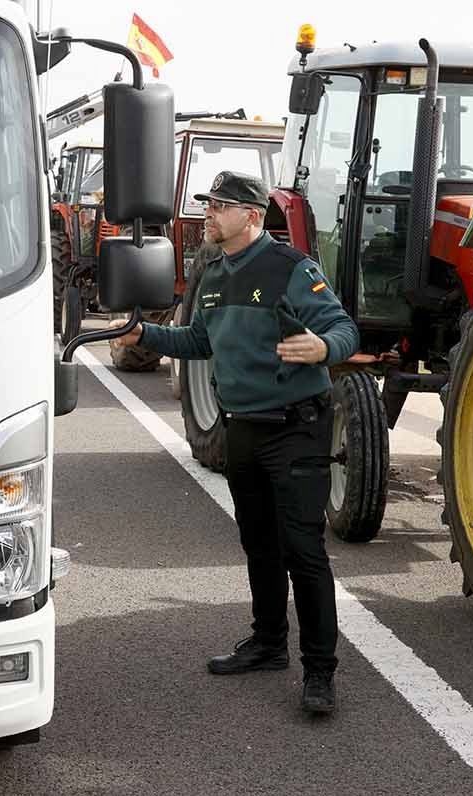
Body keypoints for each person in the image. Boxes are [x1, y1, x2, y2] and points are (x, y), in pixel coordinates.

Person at [112, 170, 359, 716]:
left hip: (295, 428)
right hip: (242, 428)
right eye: (208, 204)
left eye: (220, 206)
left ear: (251, 216)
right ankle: (269, 643)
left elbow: (344, 329)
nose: (209, 213)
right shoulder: (216, 274)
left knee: (304, 551)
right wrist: (145, 336)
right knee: (258, 543)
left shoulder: (291, 269)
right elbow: (200, 340)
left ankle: (320, 671)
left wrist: (322, 348)